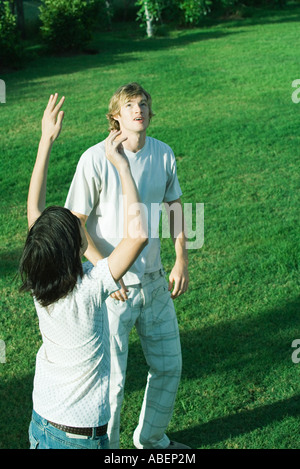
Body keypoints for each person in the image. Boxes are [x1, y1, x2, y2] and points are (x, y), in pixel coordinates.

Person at [19, 93, 148, 450]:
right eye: (78, 230)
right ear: (74, 249)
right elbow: (137, 235)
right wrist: (121, 165)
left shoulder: (39, 280)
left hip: (41, 425)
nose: (82, 226)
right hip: (79, 439)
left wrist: (46, 140)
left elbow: (35, 211)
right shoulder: (89, 289)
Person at [65, 82, 190, 449]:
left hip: (154, 283)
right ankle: (109, 450)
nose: (139, 109)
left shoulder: (163, 154)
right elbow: (75, 224)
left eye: (144, 103)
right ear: (115, 117)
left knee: (169, 367)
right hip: (112, 289)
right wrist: (106, 271)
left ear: (150, 114)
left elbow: (177, 210)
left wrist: (181, 258)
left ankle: (150, 440)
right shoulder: (93, 158)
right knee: (114, 383)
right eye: (130, 105)